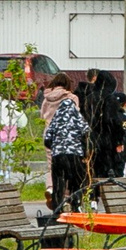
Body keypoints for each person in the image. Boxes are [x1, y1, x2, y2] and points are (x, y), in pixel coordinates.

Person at [43, 80, 90, 213]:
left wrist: (55, 147)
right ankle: (75, 205)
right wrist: (84, 151)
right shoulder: (77, 117)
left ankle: (57, 209)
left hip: (58, 156)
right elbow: (86, 132)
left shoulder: (56, 119)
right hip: (74, 154)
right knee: (76, 181)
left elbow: (47, 139)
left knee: (58, 183)